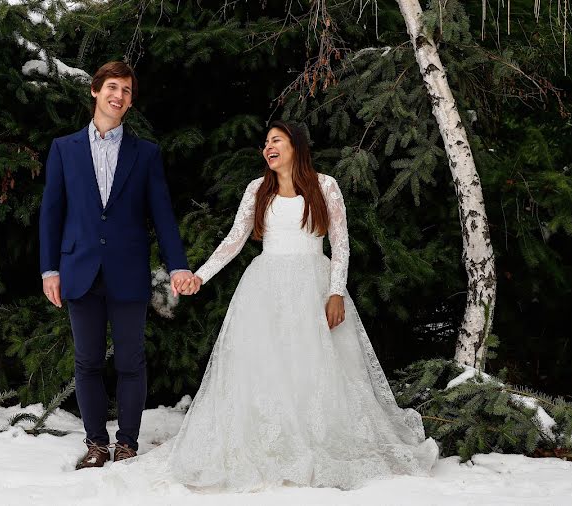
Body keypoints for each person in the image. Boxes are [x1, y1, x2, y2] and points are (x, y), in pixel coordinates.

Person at [159, 120, 439, 491]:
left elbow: (340, 243)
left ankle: (320, 438)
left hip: (314, 283)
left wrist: (336, 291)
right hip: (266, 287)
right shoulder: (257, 189)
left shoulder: (325, 186)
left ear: (296, 146)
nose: (268, 147)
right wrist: (200, 276)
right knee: (268, 363)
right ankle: (273, 442)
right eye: (265, 143)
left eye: (276, 140)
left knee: (316, 362)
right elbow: (233, 241)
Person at [38, 61, 194, 470]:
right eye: (112, 87)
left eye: (126, 91)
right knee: (87, 362)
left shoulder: (145, 154)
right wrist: (49, 269)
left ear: (130, 101)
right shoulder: (64, 148)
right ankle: (95, 444)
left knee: (130, 361)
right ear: (95, 91)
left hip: (128, 271)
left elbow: (162, 214)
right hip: (79, 269)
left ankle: (126, 444)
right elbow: (51, 214)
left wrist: (177, 265)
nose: (118, 96)